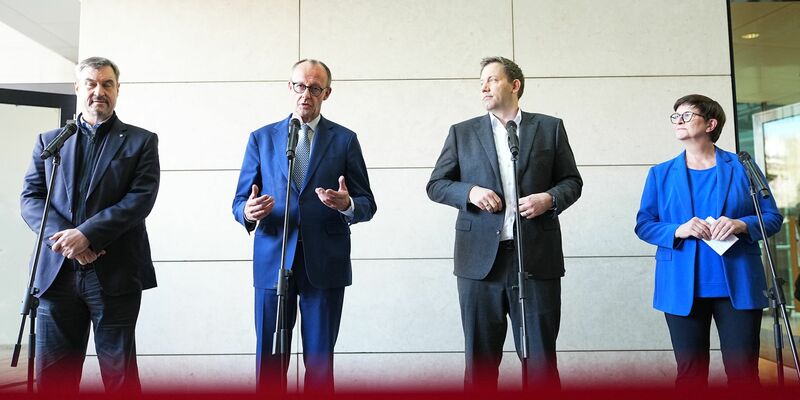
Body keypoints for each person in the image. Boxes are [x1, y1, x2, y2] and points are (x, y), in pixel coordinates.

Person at [426, 56, 582, 390]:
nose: (483, 87)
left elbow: (571, 182)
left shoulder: (549, 128)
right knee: (480, 363)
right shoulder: (462, 132)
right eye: (481, 81)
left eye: (492, 80)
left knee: (540, 360)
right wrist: (470, 192)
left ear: (515, 85)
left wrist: (549, 199)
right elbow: (437, 184)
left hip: (536, 259)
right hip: (479, 263)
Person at [232, 59, 376, 393]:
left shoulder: (345, 140)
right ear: (290, 88)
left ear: (327, 92)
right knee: (269, 360)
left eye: (314, 88)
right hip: (273, 259)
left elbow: (367, 203)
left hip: (325, 262)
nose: (306, 94)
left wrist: (347, 204)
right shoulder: (262, 138)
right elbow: (239, 201)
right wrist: (250, 212)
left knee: (321, 362)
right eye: (300, 86)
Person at [20, 56, 160, 394]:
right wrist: (69, 242)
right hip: (57, 275)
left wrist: (87, 236)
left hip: (114, 273)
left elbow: (139, 200)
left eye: (107, 84)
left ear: (118, 90)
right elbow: (31, 198)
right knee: (54, 378)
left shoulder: (141, 141)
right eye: (91, 83)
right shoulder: (50, 141)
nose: (99, 91)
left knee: (120, 377)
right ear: (78, 89)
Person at [635, 94, 782, 388]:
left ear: (711, 123)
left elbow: (771, 217)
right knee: (690, 376)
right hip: (681, 287)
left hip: (738, 285)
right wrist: (679, 229)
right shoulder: (661, 174)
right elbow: (644, 225)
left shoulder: (743, 166)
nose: (678, 120)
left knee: (743, 375)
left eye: (687, 115)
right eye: (675, 115)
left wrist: (742, 224)